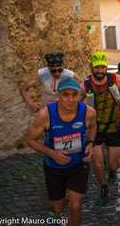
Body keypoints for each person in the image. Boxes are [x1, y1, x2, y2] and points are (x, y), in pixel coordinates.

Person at [26, 77, 97, 226]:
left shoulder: (88, 112)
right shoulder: (45, 115)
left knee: (75, 205)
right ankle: (56, 215)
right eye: (66, 95)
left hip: (79, 165)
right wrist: (52, 154)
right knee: (57, 207)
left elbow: (93, 127)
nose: (70, 99)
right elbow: (30, 140)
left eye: (74, 95)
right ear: (59, 95)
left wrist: (90, 143)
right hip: (54, 167)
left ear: (79, 95)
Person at [84, 51, 120, 206]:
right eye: (97, 68)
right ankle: (103, 187)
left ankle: (112, 171)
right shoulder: (85, 84)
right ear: (91, 67)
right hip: (95, 129)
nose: (100, 71)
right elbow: (76, 103)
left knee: (113, 164)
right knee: (97, 164)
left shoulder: (115, 80)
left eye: (103, 67)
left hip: (114, 126)